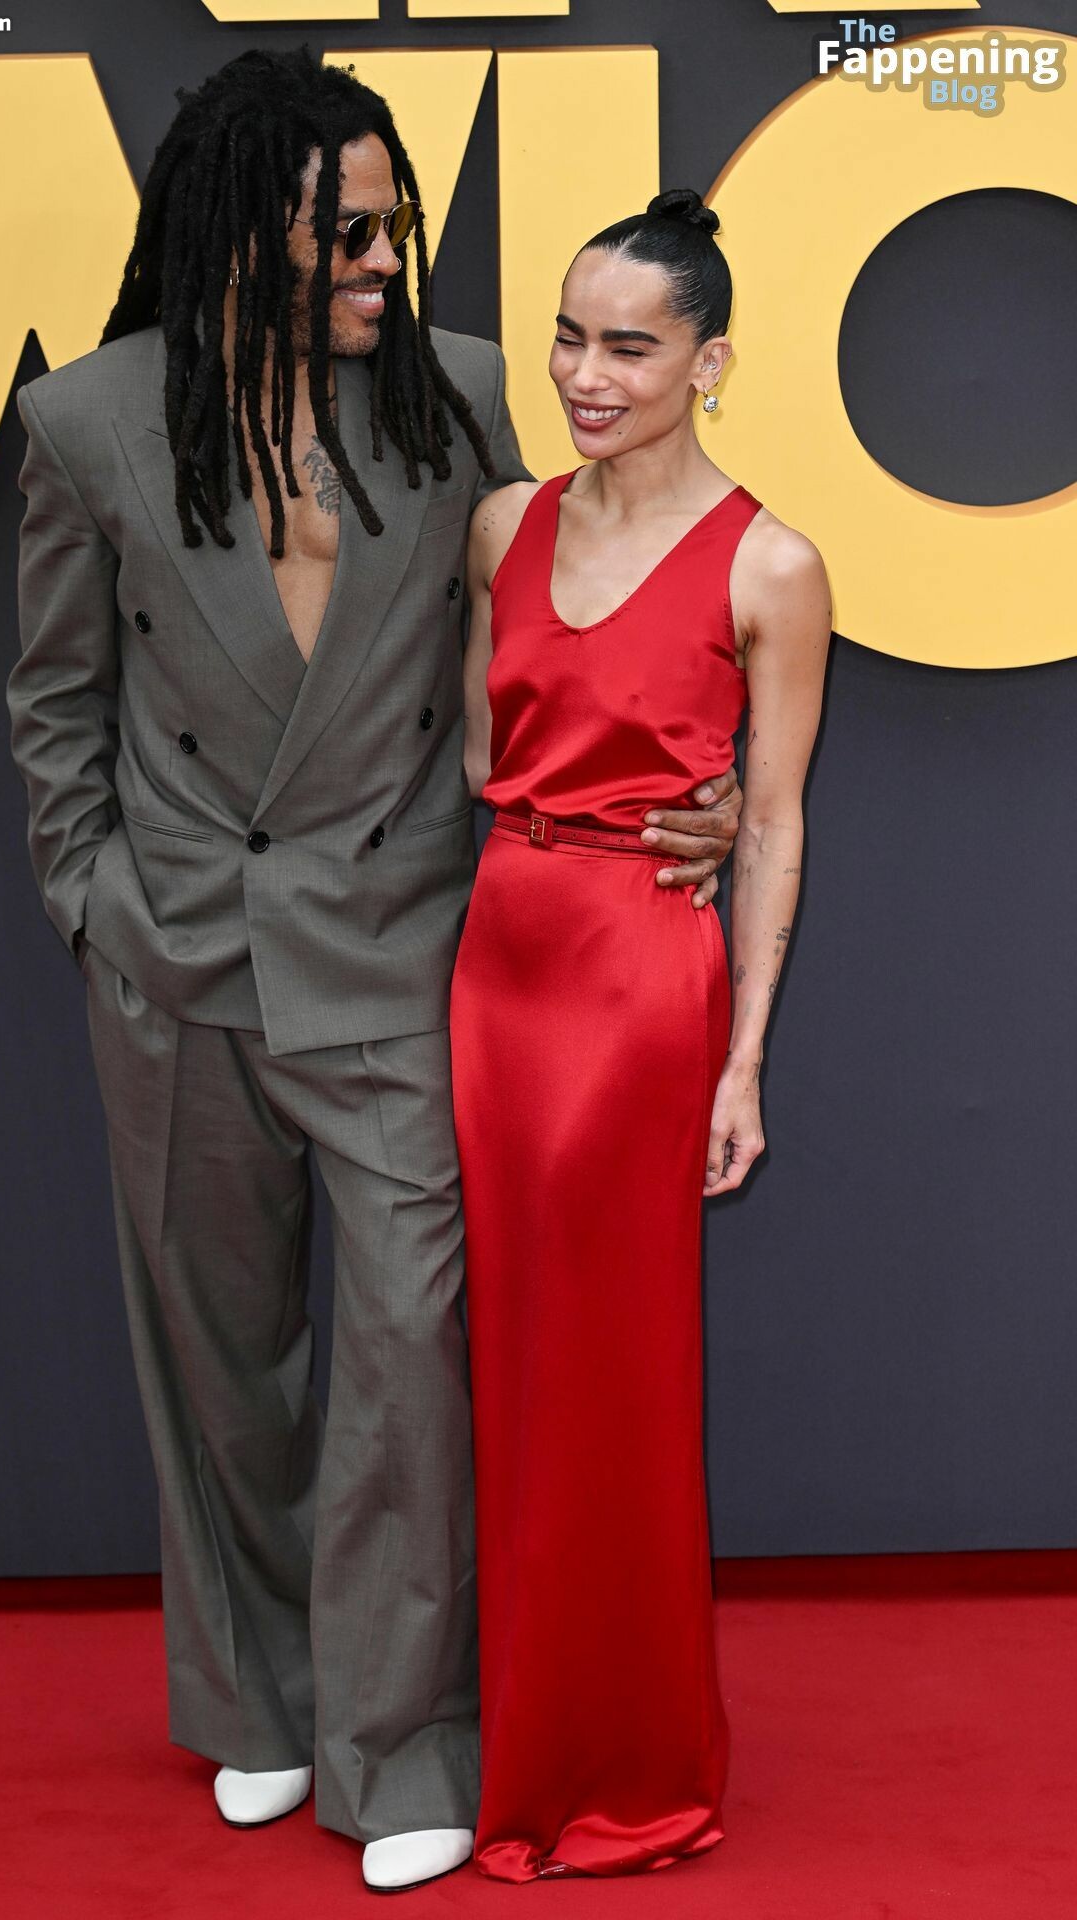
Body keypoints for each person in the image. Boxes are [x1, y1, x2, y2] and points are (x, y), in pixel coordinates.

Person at [7, 49, 743, 1893]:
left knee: (412, 1356)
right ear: (237, 230)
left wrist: (704, 787)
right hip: (181, 959)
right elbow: (55, 700)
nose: (382, 260)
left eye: (392, 225)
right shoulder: (90, 422)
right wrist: (95, 904)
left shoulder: (463, 394)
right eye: (346, 232)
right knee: (222, 1365)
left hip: (407, 947)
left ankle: (400, 1735)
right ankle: (260, 1699)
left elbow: (593, 604)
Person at [451, 188, 832, 1881]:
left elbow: (778, 823)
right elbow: (482, 756)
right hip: (496, 969)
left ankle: (624, 1770)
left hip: (634, 987)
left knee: (611, 1382)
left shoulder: (771, 563)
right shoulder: (502, 526)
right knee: (505, 1365)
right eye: (567, 337)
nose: (584, 375)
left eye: (629, 345)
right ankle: (519, 1736)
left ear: (709, 361)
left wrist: (743, 1058)